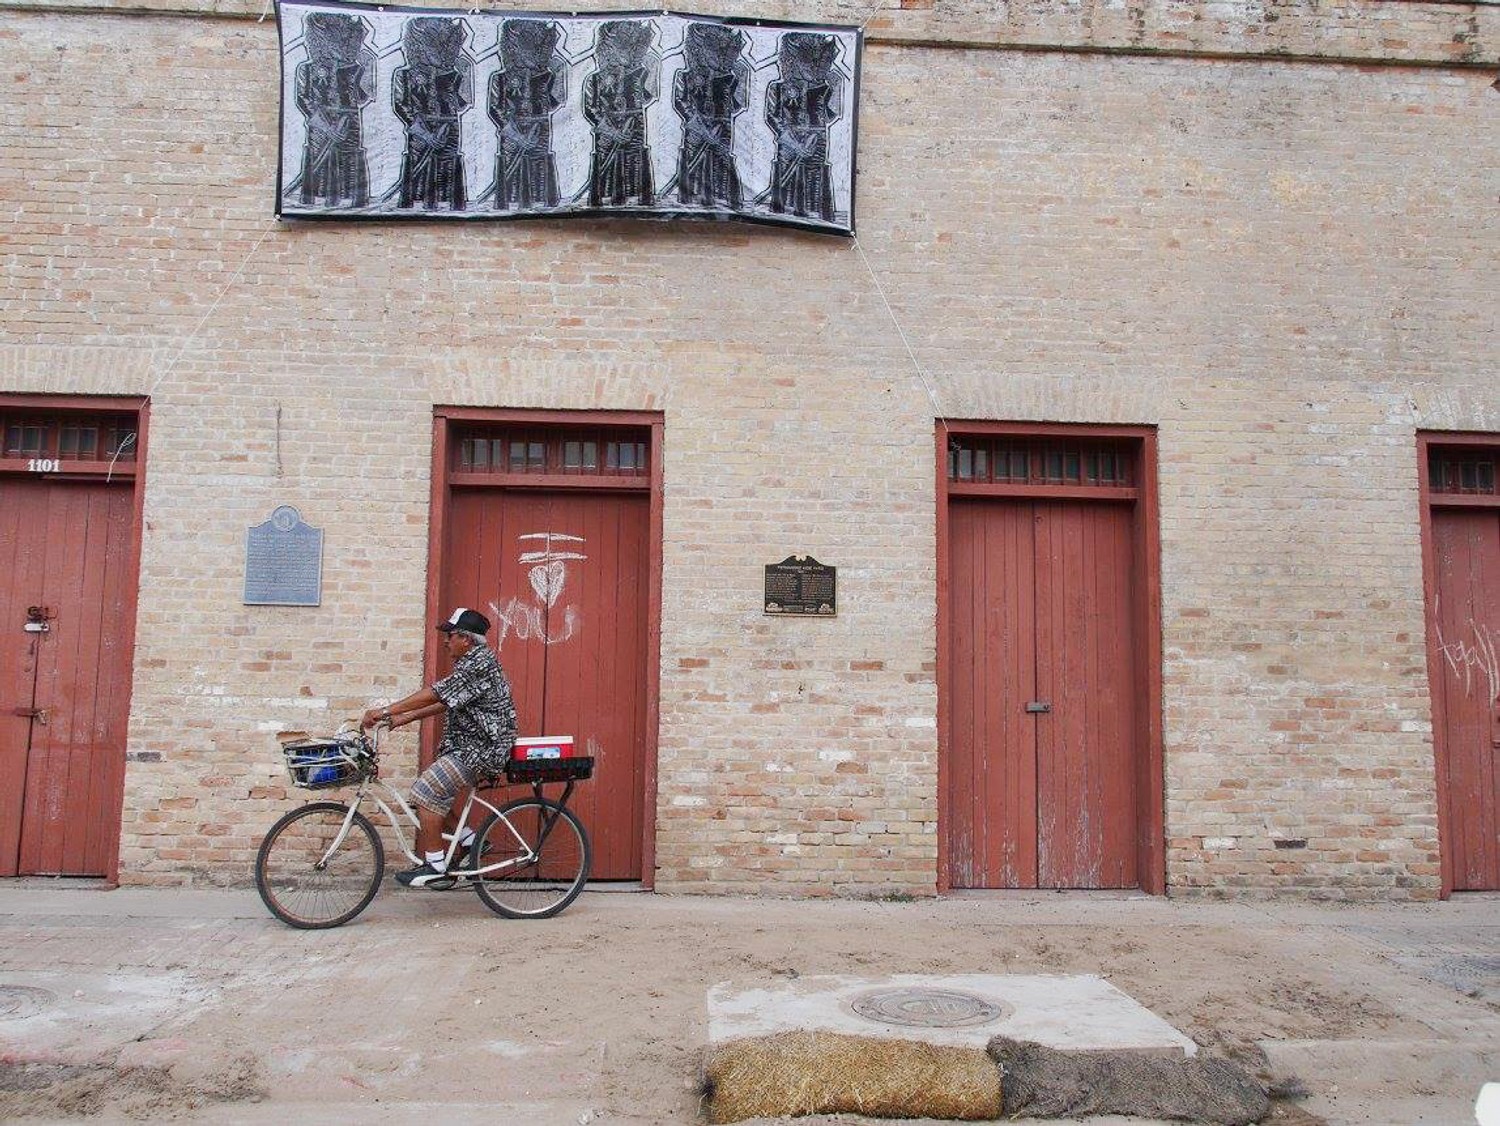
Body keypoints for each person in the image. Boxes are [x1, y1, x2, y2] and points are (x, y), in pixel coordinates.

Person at [361, 607, 517, 887]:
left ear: (466, 639)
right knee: (424, 797)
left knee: (425, 792)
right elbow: (445, 700)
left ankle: (434, 865)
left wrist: (384, 711)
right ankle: (471, 841)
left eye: (450, 635)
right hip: (468, 746)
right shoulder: (472, 661)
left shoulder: (478, 663)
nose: (446, 641)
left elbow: (436, 693)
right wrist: (402, 718)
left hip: (481, 749)